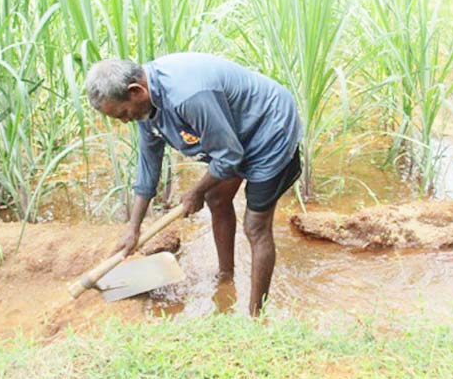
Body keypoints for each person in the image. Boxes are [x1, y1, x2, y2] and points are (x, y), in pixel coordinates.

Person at [85, 52, 303, 315]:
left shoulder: (187, 95)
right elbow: (148, 167)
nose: (124, 120)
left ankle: (257, 316)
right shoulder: (145, 106)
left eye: (122, 113)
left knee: (255, 227)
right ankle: (226, 277)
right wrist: (133, 227)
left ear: (135, 91)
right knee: (217, 198)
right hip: (233, 131)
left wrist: (195, 191)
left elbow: (229, 155)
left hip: (269, 128)